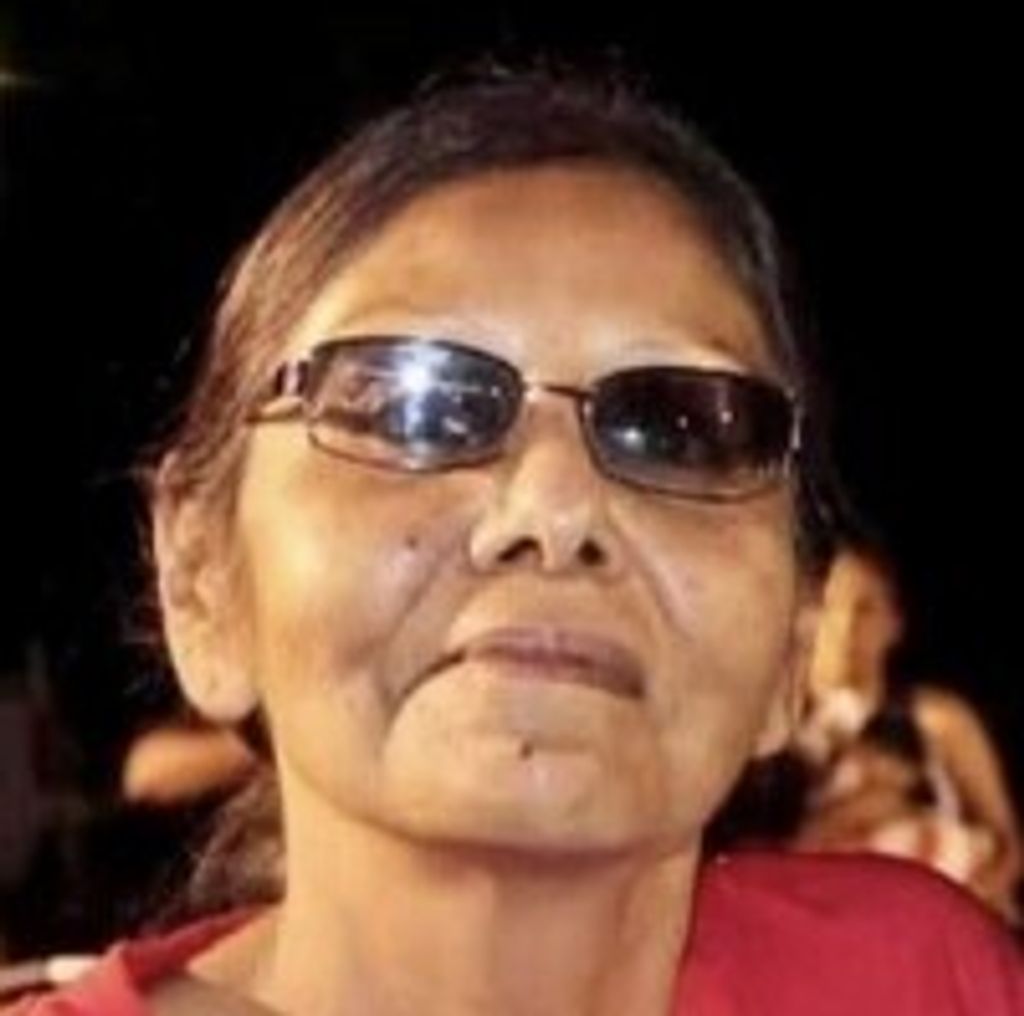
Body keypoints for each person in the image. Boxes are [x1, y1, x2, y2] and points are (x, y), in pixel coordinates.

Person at [9, 60, 1022, 1014]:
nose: (555, 506)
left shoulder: (917, 981)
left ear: (792, 648)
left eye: (682, 430)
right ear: (198, 578)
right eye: (410, 404)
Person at [794, 544, 1024, 924]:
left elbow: (1008, 845)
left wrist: (970, 905)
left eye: (865, 609)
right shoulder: (780, 740)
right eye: (832, 607)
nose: (847, 626)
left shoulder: (936, 721)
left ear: (894, 621)